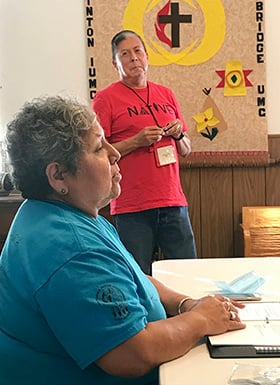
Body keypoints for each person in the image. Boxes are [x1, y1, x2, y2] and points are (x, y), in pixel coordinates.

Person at [0, 96, 245, 385]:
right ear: (58, 175)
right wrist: (202, 320)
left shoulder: (64, 215)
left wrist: (187, 305)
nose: (115, 153)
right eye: (98, 148)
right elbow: (132, 354)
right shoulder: (72, 249)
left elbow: (133, 278)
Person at [93, 30, 197, 275]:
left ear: (147, 56)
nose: (133, 58)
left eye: (138, 51)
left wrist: (179, 134)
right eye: (125, 54)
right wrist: (136, 141)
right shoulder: (105, 99)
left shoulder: (166, 94)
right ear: (115, 63)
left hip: (173, 201)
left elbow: (186, 150)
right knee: (138, 278)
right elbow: (97, 153)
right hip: (132, 206)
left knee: (186, 273)